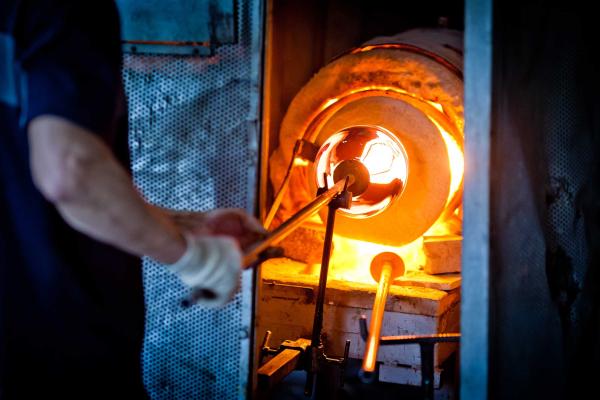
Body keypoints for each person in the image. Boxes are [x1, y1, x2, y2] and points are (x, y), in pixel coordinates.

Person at [0, 1, 263, 398]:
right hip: (55, 355)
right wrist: (196, 259)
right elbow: (70, 172)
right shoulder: (64, 11)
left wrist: (185, 225)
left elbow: (24, 174)